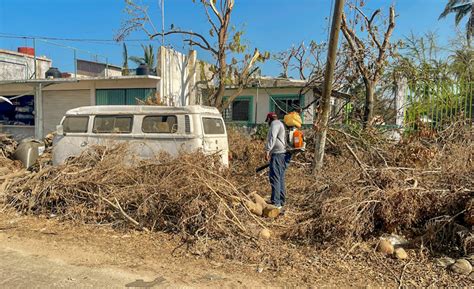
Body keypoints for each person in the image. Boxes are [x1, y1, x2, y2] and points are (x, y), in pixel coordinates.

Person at [264, 112, 291, 209]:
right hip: (283, 154)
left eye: (268, 121)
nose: (268, 123)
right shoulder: (280, 123)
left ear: (270, 119)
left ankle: (276, 203)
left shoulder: (274, 124)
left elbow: (272, 137)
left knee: (275, 178)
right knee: (280, 178)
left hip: (278, 154)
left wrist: (267, 151)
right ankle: (281, 200)